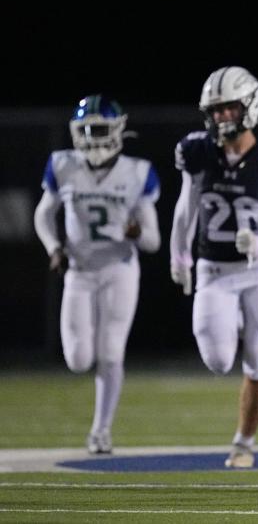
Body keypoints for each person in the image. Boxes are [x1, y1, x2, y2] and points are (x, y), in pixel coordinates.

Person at [169, 66, 258, 468]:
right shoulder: (196, 150)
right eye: (216, 110)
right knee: (218, 360)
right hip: (214, 271)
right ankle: (231, 325)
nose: (222, 117)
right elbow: (185, 209)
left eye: (229, 108)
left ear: (249, 107)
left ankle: (243, 443)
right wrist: (180, 257)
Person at [34, 95, 160, 454]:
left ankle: (101, 431)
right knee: (77, 359)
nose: (93, 137)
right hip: (79, 270)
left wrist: (136, 232)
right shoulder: (63, 165)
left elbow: (152, 240)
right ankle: (99, 426)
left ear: (118, 130)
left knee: (110, 351)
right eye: (86, 129)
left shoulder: (137, 171)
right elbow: (44, 214)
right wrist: (53, 247)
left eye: (100, 129)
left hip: (119, 269)